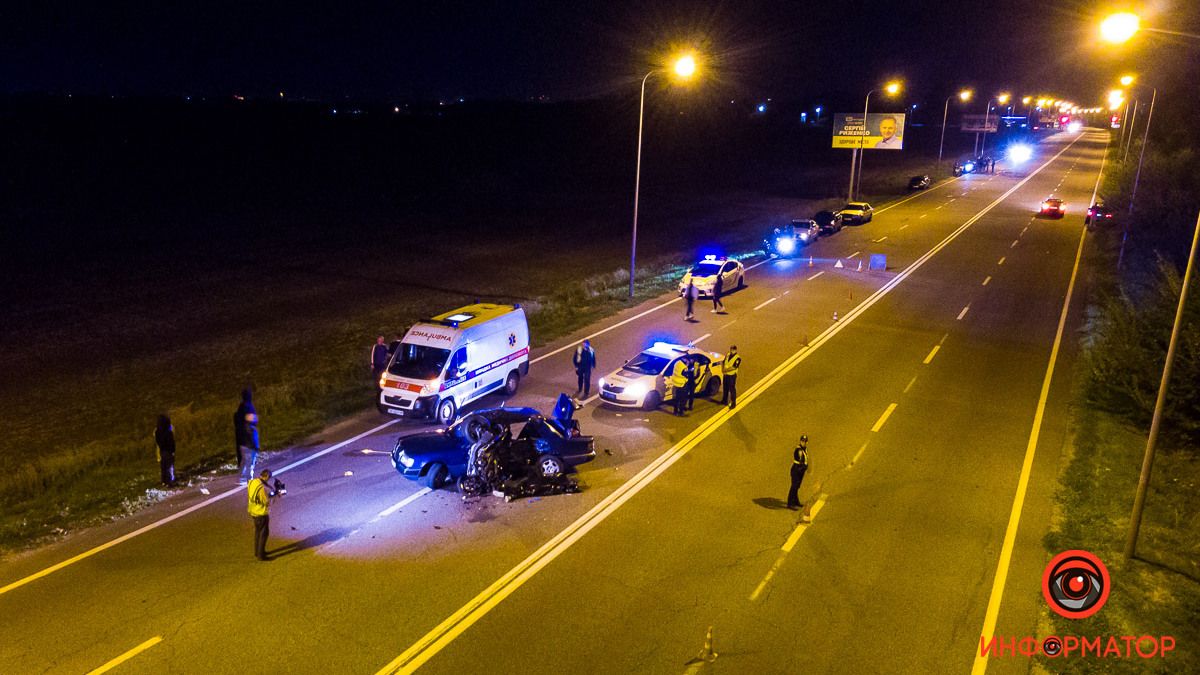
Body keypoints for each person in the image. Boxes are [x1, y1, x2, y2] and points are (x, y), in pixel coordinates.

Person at [247, 468, 277, 561]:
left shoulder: (252, 482)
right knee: (264, 533)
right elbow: (266, 502)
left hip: (253, 510)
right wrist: (273, 495)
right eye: (269, 477)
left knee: (257, 532)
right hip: (261, 513)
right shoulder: (262, 489)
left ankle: (257, 551)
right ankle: (261, 555)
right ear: (266, 476)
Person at [234, 388, 260, 485]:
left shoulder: (241, 408)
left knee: (245, 460)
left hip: (241, 439)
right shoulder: (248, 408)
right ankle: (250, 480)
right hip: (248, 440)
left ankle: (240, 478)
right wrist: (254, 444)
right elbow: (252, 420)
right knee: (250, 461)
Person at [787, 435, 810, 510]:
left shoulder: (804, 449)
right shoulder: (799, 450)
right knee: (794, 486)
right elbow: (800, 461)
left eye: (805, 441)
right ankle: (790, 503)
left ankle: (795, 501)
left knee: (797, 486)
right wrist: (803, 467)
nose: (803, 442)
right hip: (797, 470)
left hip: (801, 470)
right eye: (802, 441)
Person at [154, 414, 176, 486]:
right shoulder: (169, 432)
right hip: (168, 451)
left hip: (162, 451)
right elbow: (171, 442)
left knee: (163, 466)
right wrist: (173, 451)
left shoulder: (157, 431)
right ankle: (170, 481)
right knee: (169, 466)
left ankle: (164, 481)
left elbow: (157, 441)